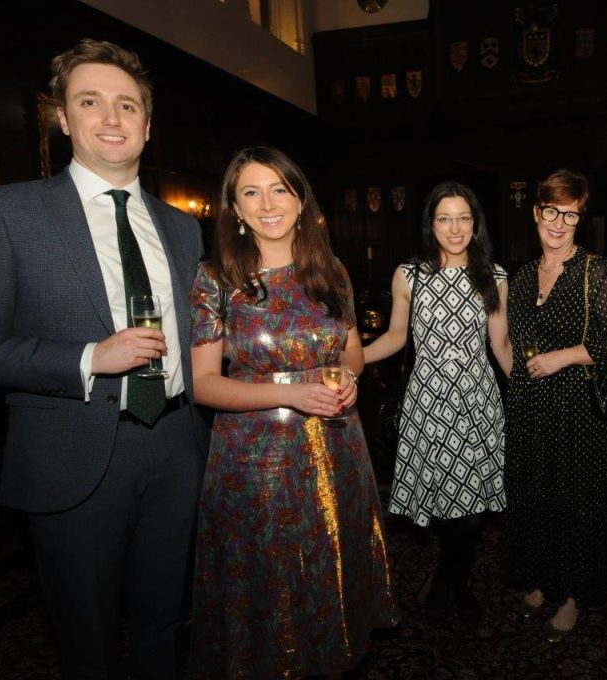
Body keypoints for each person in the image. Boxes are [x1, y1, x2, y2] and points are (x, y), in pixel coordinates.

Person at [0, 40, 207, 678]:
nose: (111, 117)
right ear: (63, 118)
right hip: (74, 455)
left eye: (127, 105)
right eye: (90, 101)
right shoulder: (6, 213)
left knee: (165, 624)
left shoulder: (183, 228)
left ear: (148, 125)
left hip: (177, 445)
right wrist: (88, 358)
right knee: (86, 640)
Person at [189, 147, 397, 677]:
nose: (268, 204)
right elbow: (205, 385)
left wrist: (349, 377)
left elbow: (351, 353)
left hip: (337, 448)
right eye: (251, 193)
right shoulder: (215, 279)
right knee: (273, 582)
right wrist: (290, 393)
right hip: (258, 464)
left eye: (279, 189)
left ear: (301, 201)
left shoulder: (332, 272)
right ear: (235, 209)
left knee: (330, 573)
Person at [363, 180, 510, 622]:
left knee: (470, 511)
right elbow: (394, 337)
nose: (455, 228)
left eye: (464, 218)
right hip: (428, 403)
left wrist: (528, 390)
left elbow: (501, 346)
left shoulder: (495, 276)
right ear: (431, 223)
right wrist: (349, 359)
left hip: (478, 402)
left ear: (476, 223)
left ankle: (450, 578)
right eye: (444, 218)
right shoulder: (409, 274)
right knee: (448, 504)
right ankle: (452, 578)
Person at [503, 168, 607, 642]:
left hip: (580, 410)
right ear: (536, 212)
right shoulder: (520, 277)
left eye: (571, 215)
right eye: (551, 212)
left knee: (576, 501)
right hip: (529, 406)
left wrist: (564, 357)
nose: (559, 224)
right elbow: (512, 344)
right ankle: (541, 578)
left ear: (581, 219)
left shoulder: (597, 272)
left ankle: (575, 594)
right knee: (536, 493)